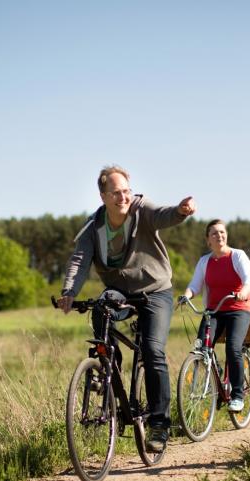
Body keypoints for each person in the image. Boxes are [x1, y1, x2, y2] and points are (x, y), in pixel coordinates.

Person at [58, 165, 196, 452]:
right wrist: (69, 292)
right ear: (103, 196)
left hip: (154, 290)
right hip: (120, 290)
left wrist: (180, 211)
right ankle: (108, 371)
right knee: (100, 309)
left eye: (126, 191)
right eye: (116, 193)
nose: (123, 197)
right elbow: (79, 259)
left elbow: (163, 215)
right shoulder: (93, 226)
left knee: (152, 350)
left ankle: (159, 424)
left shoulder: (141, 209)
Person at [180, 219, 250, 412]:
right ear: (208, 240)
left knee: (233, 347)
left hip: (238, 308)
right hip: (214, 310)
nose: (220, 236)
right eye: (214, 233)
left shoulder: (238, 256)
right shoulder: (204, 261)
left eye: (222, 232)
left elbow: (249, 280)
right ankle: (217, 382)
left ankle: (237, 396)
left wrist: (244, 291)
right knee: (202, 346)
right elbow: (195, 286)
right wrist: (186, 295)